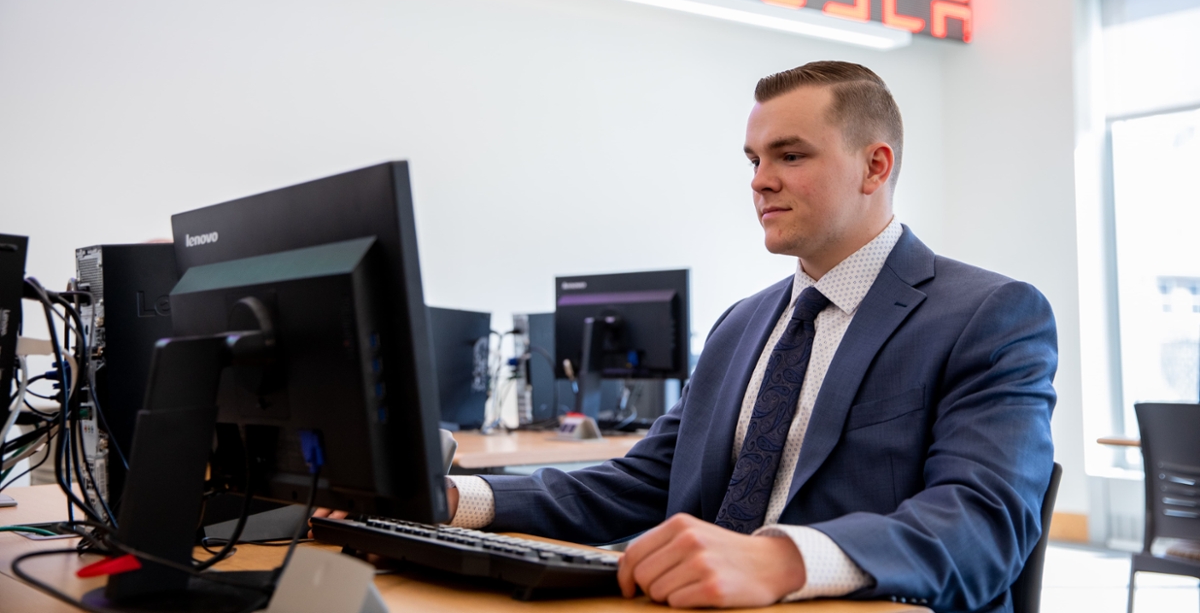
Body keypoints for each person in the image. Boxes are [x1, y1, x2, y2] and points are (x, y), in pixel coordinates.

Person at [384, 61, 1056, 611]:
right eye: (754, 159)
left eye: (790, 155)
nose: (761, 180)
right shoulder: (744, 324)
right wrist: (455, 500)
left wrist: (782, 557)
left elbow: (982, 524)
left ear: (875, 167)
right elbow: (639, 483)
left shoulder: (988, 314)